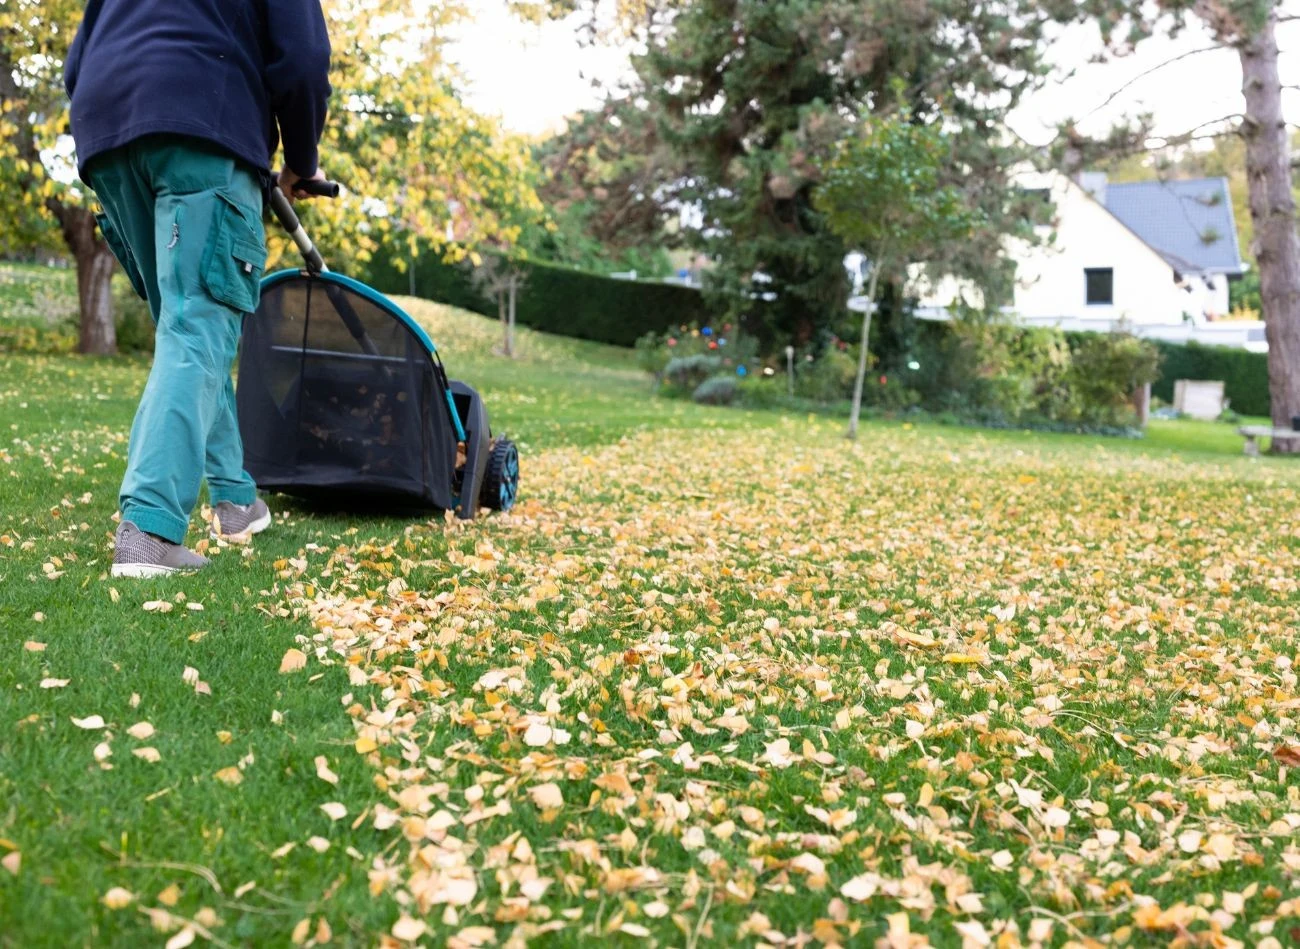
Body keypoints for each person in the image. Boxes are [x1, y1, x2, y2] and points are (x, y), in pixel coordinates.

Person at [64, 0, 333, 578]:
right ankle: (151, 531)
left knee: (186, 327)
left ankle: (235, 500)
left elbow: (75, 62)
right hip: (203, 125)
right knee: (196, 328)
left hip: (107, 134)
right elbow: (305, 58)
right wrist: (302, 161)